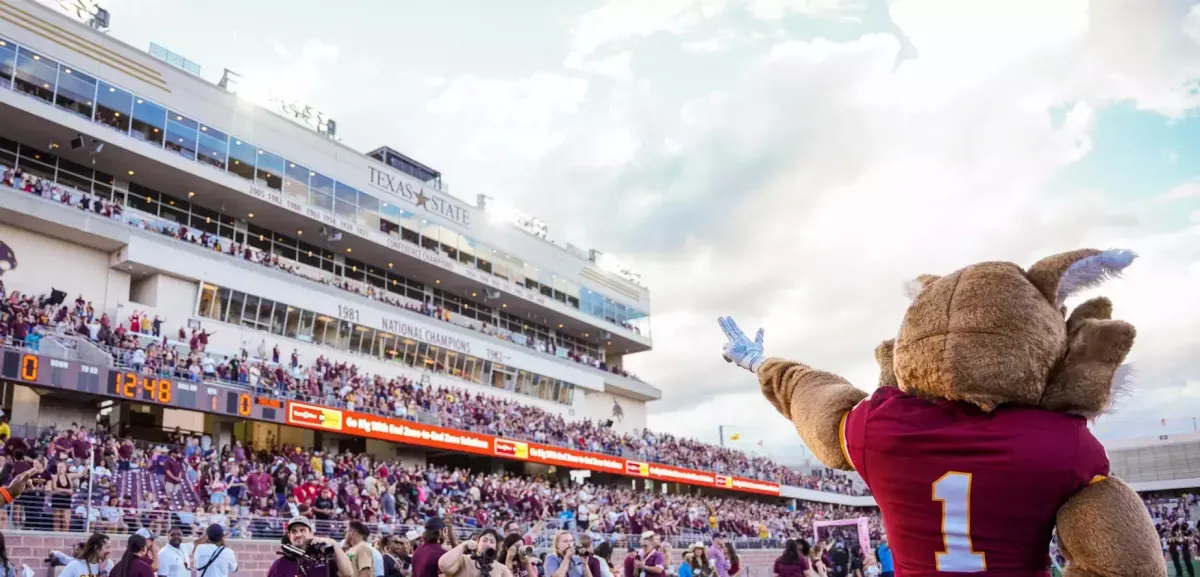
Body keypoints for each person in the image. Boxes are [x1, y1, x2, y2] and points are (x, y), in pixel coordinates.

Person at [268, 516, 355, 577]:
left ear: (311, 533)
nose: (298, 534)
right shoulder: (279, 565)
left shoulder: (325, 557)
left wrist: (334, 544)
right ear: (289, 537)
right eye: (294, 531)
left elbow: (348, 573)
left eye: (302, 530)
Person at [438, 528, 514, 577]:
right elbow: (443, 565)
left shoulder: (501, 568)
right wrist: (463, 545)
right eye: (484, 540)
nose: (488, 544)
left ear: (496, 546)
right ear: (477, 542)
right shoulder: (464, 559)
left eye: (492, 542)